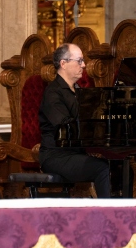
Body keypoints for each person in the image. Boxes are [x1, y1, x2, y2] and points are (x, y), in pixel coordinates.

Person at [38, 43, 111, 198]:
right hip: (56, 156)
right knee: (102, 168)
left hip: (76, 154)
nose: (83, 65)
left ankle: (123, 208)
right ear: (63, 63)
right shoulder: (53, 93)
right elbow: (66, 128)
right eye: (79, 61)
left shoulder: (79, 91)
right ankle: (109, 211)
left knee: (120, 166)